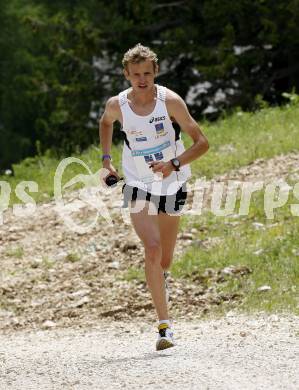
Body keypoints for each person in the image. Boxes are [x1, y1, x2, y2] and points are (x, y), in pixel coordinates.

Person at [99, 43, 209, 351]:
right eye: (136, 74)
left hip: (172, 183)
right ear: (127, 75)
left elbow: (202, 142)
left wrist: (174, 163)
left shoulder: (170, 101)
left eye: (147, 73)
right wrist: (106, 159)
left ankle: (162, 280)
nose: (142, 79)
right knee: (151, 248)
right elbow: (106, 123)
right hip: (137, 182)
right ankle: (164, 328)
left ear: (155, 72)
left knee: (165, 259)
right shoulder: (117, 105)